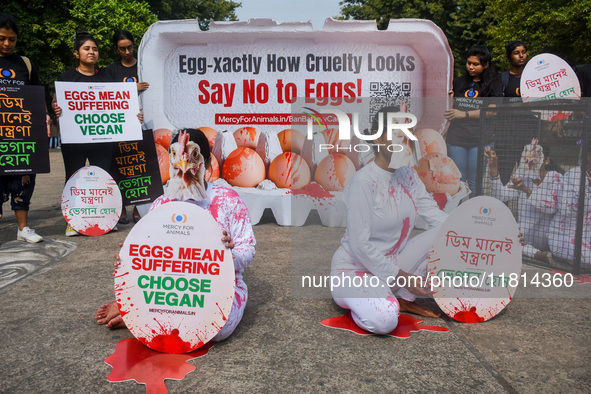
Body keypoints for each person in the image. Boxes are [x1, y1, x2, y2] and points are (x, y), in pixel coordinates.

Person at [95, 129, 256, 343]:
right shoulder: (162, 205)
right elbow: (147, 255)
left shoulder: (228, 200)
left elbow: (248, 247)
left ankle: (143, 316)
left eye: (193, 157)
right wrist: (128, 259)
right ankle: (133, 312)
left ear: (208, 164)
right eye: (176, 156)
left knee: (218, 330)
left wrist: (230, 255)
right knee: (172, 314)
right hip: (169, 289)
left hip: (218, 286)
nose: (184, 164)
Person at [330, 107, 448, 335]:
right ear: (377, 137)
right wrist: (403, 277)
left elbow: (439, 220)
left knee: (446, 231)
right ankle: (380, 300)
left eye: (407, 132)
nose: (403, 138)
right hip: (354, 271)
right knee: (384, 321)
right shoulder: (363, 182)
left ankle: (399, 298)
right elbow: (359, 245)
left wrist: (494, 231)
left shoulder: (409, 176)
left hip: (393, 268)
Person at [0, 13, 44, 243]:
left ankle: (23, 229)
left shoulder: (24, 64)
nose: (7, 44)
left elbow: (36, 97)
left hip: (21, 136)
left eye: (12, 39)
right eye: (2, 38)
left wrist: (44, 117)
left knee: (24, 180)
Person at [485, 140, 563, 264]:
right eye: (527, 156)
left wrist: (526, 190)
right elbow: (501, 196)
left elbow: (551, 207)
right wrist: (494, 170)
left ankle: (526, 246)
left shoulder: (556, 178)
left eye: (535, 156)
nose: (530, 160)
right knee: (494, 236)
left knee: (510, 237)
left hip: (546, 235)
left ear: (546, 160)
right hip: (523, 236)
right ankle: (535, 254)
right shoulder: (523, 176)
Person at [444, 45, 503, 198]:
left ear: (486, 65)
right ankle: (454, 218)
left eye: (475, 64)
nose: (470, 67)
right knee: (457, 182)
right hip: (457, 139)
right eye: (469, 63)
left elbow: (492, 111)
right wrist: (448, 100)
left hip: (481, 140)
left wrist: (464, 114)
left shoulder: (494, 83)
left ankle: (475, 219)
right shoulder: (457, 82)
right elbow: (448, 108)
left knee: (475, 182)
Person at [105, 29, 149, 224]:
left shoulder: (144, 67)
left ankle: (140, 207)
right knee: (119, 167)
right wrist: (133, 88)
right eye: (122, 49)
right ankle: (120, 206)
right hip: (119, 127)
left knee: (140, 166)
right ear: (116, 49)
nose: (127, 52)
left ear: (135, 44)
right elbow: (106, 94)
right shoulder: (111, 70)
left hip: (143, 124)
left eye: (130, 47)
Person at [548, 142, 591, 269]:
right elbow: (564, 209)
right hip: (562, 236)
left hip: (586, 234)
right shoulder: (572, 175)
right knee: (587, 257)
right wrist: (586, 193)